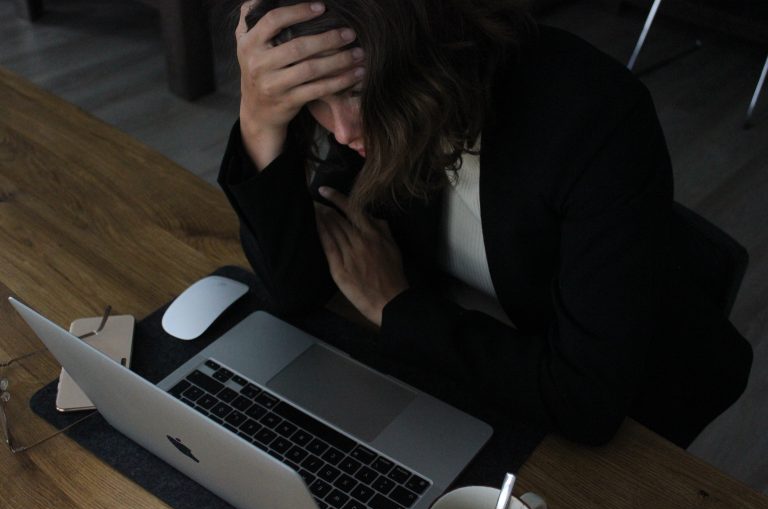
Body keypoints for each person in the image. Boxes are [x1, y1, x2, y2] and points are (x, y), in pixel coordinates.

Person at [218, 0, 752, 447]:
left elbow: (585, 403)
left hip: (626, 413)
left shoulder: (594, 116)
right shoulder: (368, 101)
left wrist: (395, 306)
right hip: (474, 369)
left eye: (357, 95)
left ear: (422, 49)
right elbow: (296, 286)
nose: (341, 132)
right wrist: (259, 120)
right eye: (313, 103)